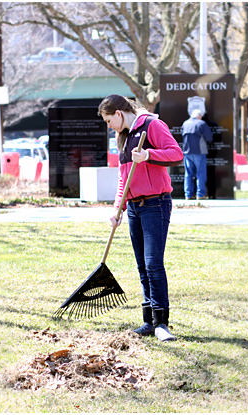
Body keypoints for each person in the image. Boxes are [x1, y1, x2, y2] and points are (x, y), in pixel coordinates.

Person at [97, 94, 184, 342]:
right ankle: (148, 322)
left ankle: (161, 324)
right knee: (142, 266)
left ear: (119, 113)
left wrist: (148, 155)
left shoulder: (152, 125)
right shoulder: (121, 137)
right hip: (134, 207)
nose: (109, 125)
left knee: (153, 263)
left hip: (156, 203)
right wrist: (118, 208)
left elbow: (177, 154)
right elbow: (123, 178)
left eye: (108, 120)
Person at [181, 109, 213, 200]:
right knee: (201, 173)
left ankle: (188, 194)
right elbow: (209, 138)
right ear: (199, 116)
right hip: (199, 152)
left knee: (188, 174)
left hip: (187, 152)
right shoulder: (201, 123)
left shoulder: (185, 123)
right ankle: (200, 194)